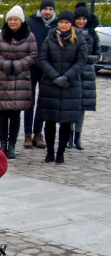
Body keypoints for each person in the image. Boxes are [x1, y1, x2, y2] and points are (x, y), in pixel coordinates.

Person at [36, 10, 86, 164]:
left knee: (66, 121)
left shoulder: (79, 38)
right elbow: (42, 59)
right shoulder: (50, 37)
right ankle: (50, 151)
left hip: (70, 85)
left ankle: (61, 152)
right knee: (49, 120)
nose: (63, 25)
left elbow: (81, 61)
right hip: (51, 84)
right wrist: (55, 76)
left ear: (71, 24)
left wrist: (67, 76)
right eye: (61, 22)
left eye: (66, 22)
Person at [0, 6, 37, 160]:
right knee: (2, 114)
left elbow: (33, 55)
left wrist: (18, 65)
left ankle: (12, 145)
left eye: (16, 19)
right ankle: (3, 143)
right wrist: (5, 64)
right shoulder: (0, 36)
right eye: (10, 19)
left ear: (21, 21)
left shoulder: (29, 37)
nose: (13, 22)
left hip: (20, 78)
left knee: (15, 114)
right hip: (3, 78)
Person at [24, 0, 56, 149]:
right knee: (29, 102)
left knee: (43, 103)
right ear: (41, 9)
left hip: (48, 69)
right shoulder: (31, 22)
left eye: (50, 9)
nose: (47, 12)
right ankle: (27, 134)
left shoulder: (57, 25)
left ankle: (38, 133)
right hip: (32, 67)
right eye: (45, 9)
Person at [72, 7, 98, 150]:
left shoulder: (92, 35)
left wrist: (85, 59)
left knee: (82, 108)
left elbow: (97, 55)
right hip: (73, 72)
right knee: (71, 105)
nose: (81, 21)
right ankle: (68, 135)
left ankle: (77, 136)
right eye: (78, 19)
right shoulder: (70, 33)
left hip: (87, 73)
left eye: (84, 19)